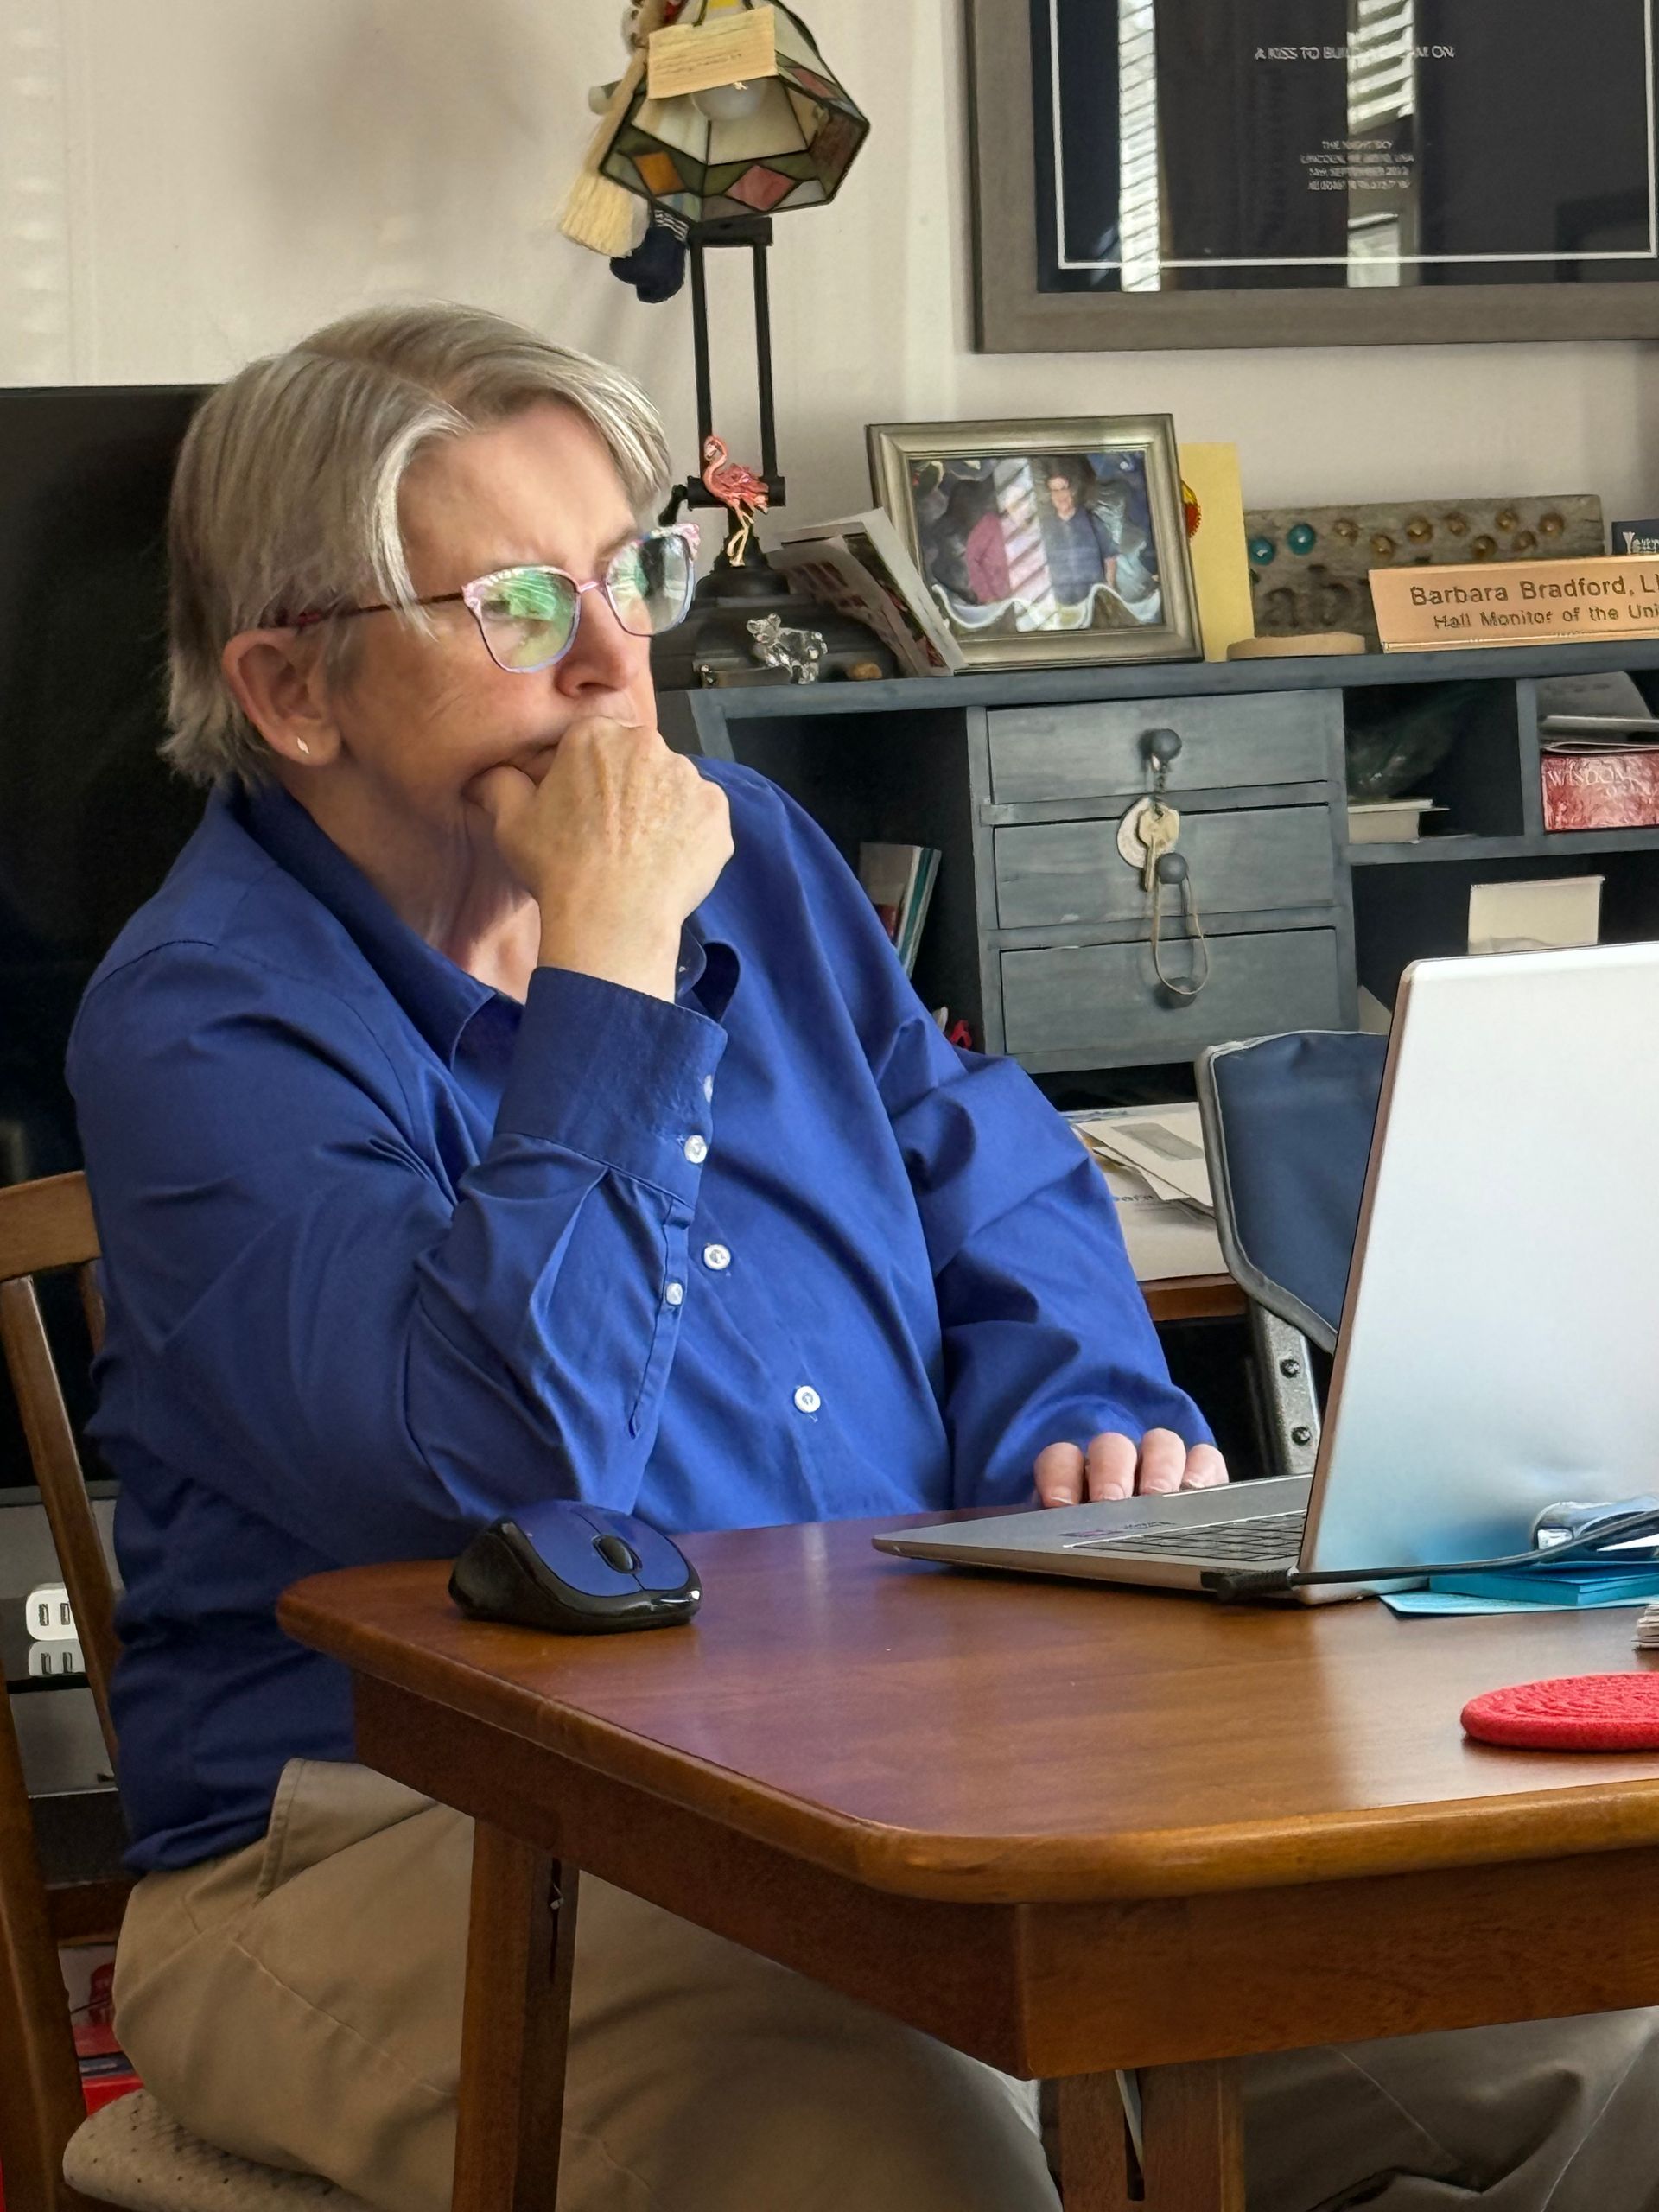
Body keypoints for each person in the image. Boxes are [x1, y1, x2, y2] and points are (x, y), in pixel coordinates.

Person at [73, 305, 1659, 2212]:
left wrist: (1088, 1393)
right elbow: (500, 1460)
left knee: (1587, 2036)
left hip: (916, 1788)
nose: (613, 667)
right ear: (290, 686)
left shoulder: (751, 847)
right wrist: (606, 966)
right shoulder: (202, 1021)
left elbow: (987, 1168)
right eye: (515, 608)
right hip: (391, 1835)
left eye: (635, 573)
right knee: (902, 2137)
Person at [1040, 460, 1118, 607]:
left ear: (1073, 490)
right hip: (1061, 605)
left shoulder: (1092, 521)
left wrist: (1109, 590)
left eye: (1063, 488)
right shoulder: (1044, 528)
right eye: (1054, 490)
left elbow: (1110, 558)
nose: (1060, 494)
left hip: (1094, 602)